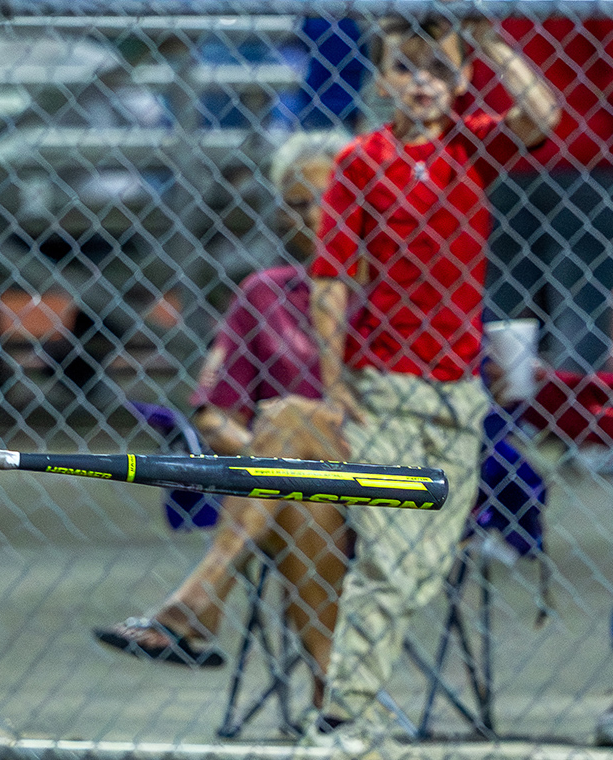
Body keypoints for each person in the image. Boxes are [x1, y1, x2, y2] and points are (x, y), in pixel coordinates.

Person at [307, 14, 557, 742]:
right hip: (385, 384)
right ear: (383, 79)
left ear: (464, 80)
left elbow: (542, 116)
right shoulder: (361, 160)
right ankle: (342, 715)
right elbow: (330, 278)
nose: (425, 84)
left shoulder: (472, 143)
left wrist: (488, 41)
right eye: (409, 69)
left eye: (441, 70)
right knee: (388, 560)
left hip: (458, 392)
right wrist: (335, 380)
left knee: (427, 559)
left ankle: (355, 704)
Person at [93, 134, 356, 707]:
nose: (310, 216)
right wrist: (281, 463)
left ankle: (197, 602)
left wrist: (276, 451)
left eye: (326, 198)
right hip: (298, 498)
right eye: (295, 203)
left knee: (286, 423)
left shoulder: (394, 293)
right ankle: (332, 701)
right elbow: (213, 417)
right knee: (300, 492)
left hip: (379, 474)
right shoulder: (262, 295)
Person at [477, 17, 613, 376]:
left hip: (505, 153)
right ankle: (578, 411)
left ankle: (514, 415)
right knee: (580, 303)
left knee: (508, 305)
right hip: (583, 160)